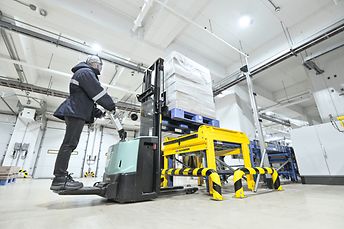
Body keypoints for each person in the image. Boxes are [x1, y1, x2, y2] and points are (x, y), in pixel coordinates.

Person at [50, 55, 116, 191]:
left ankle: (60, 176)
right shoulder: (86, 72)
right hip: (75, 112)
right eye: (100, 65)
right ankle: (60, 178)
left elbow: (86, 99)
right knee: (69, 144)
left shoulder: (84, 72)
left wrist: (99, 113)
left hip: (77, 111)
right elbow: (97, 92)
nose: (100, 68)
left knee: (69, 144)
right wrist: (110, 105)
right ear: (95, 64)